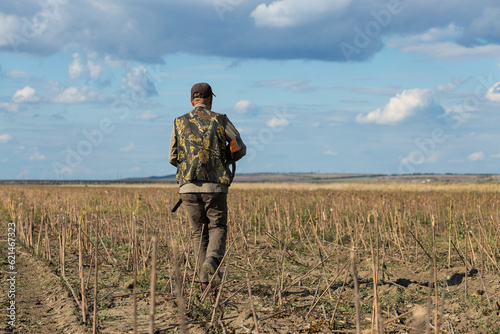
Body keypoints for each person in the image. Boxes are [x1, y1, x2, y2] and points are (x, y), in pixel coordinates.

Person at [169, 82, 246, 289]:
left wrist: (189, 165)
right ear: (210, 100)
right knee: (217, 226)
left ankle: (205, 282)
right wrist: (225, 159)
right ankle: (212, 260)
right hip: (216, 187)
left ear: (192, 100)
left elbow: (172, 157)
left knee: (198, 233)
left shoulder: (179, 121)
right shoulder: (220, 119)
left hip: (188, 187)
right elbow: (240, 147)